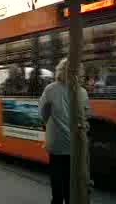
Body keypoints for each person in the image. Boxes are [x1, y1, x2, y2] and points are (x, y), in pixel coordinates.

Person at [39, 58, 89, 204]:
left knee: (56, 178)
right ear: (78, 73)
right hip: (74, 143)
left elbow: (42, 113)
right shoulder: (83, 92)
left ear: (60, 71)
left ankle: (57, 200)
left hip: (55, 143)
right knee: (70, 178)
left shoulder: (50, 89)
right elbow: (85, 117)